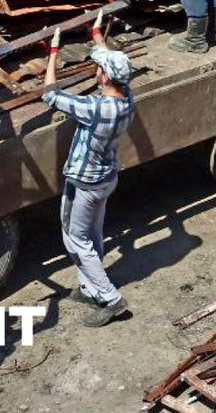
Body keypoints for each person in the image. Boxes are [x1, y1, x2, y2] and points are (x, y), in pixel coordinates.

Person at [43, 23, 138, 328]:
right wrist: (97, 34)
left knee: (75, 240)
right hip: (106, 178)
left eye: (99, 70)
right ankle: (89, 288)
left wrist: (54, 52)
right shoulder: (127, 101)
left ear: (105, 77)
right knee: (93, 235)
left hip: (83, 183)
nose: (96, 72)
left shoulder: (95, 108)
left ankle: (111, 299)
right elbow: (111, 59)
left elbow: (50, 94)